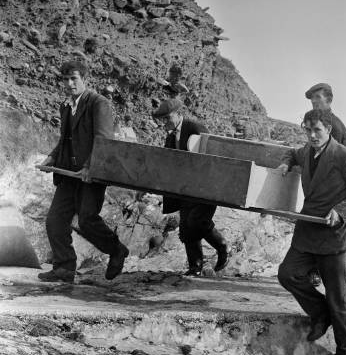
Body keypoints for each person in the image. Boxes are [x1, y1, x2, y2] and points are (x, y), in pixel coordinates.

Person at [277, 109, 346, 355]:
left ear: (329, 130)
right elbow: (292, 152)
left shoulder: (344, 156)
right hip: (308, 230)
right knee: (288, 274)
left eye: (317, 130)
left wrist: (341, 211)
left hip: (334, 235)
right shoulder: (305, 152)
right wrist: (287, 163)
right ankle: (320, 313)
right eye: (307, 130)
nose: (311, 135)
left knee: (339, 296)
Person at [38, 60, 129, 283]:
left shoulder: (99, 103)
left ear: (84, 79)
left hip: (91, 174)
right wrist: (51, 157)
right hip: (69, 174)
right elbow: (65, 139)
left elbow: (103, 140)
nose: (69, 84)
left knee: (87, 220)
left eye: (74, 79)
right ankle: (65, 267)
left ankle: (117, 250)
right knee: (55, 221)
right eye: (66, 79)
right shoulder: (66, 106)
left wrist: (89, 166)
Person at [151, 99, 228, 276]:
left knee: (197, 222)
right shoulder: (170, 136)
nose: (165, 122)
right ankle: (195, 267)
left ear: (178, 114)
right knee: (186, 228)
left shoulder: (195, 128)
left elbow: (211, 156)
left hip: (205, 188)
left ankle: (222, 246)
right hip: (185, 190)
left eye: (167, 118)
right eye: (162, 119)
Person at [305, 81, 346, 287]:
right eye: (312, 99)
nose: (314, 103)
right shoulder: (315, 122)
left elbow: (340, 160)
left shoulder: (336, 126)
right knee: (341, 233)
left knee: (327, 229)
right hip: (323, 186)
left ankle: (316, 272)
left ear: (329, 100)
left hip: (335, 189)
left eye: (318, 98)